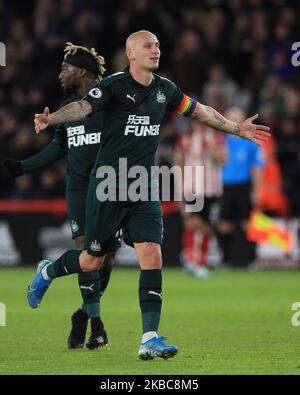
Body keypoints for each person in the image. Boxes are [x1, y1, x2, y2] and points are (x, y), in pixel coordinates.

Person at [30, 30, 270, 360]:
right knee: (91, 260)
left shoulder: (165, 90)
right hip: (108, 186)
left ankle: (149, 337)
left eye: (157, 45)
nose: (156, 50)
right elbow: (83, 108)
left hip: (143, 186)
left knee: (152, 254)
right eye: (148, 46)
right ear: (131, 54)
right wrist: (52, 118)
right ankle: (47, 271)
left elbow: (201, 112)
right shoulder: (113, 86)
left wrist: (235, 128)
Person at [0, 42, 121, 350]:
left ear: (82, 71)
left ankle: (80, 314)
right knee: (89, 254)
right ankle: (96, 326)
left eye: (66, 69)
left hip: (110, 188)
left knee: (104, 261)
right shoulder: (68, 108)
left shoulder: (111, 101)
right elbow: (57, 149)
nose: (61, 74)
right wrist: (20, 168)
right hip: (79, 190)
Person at [174, 119, 226, 278]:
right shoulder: (186, 139)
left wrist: (211, 149)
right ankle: (190, 260)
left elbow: (223, 160)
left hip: (212, 189)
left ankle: (201, 262)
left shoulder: (216, 138)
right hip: (192, 187)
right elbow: (178, 162)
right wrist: (179, 186)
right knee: (191, 222)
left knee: (207, 227)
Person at [216, 107, 265, 267]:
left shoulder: (250, 142)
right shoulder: (221, 141)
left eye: (237, 118)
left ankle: (252, 260)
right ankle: (225, 261)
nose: (235, 121)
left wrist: (256, 190)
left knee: (248, 224)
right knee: (224, 224)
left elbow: (256, 168)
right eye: (231, 118)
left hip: (244, 186)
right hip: (226, 187)